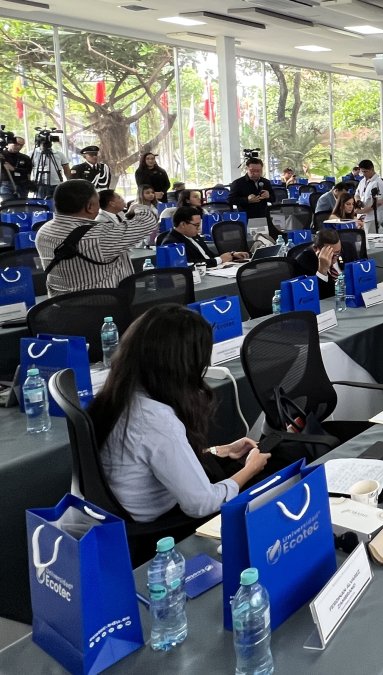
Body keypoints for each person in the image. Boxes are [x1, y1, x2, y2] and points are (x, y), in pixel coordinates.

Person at [90, 304, 270, 523]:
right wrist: (251, 469)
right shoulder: (155, 418)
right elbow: (202, 504)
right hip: (158, 527)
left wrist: (217, 450)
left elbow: (149, 458)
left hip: (124, 511)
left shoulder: (119, 392)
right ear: (181, 365)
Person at [36, 179, 159, 295]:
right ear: (89, 207)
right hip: (102, 309)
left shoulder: (43, 231)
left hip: (61, 308)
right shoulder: (98, 236)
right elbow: (148, 222)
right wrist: (136, 206)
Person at [163, 205, 248, 268]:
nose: (199, 228)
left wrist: (232, 255)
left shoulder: (194, 236)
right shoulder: (172, 242)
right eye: (196, 225)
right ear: (183, 224)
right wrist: (219, 260)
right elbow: (190, 263)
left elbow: (209, 255)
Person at [293, 228, 342, 299]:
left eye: (337, 253)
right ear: (315, 249)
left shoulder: (348, 249)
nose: (335, 257)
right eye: (330, 254)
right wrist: (322, 270)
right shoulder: (304, 262)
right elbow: (317, 296)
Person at [228, 157, 272, 222]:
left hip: (263, 217)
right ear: (247, 169)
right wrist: (247, 200)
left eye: (258, 171)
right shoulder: (237, 183)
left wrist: (269, 196)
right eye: (252, 171)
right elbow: (230, 200)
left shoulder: (266, 182)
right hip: (245, 217)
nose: (255, 173)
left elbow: (274, 199)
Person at [352, 159, 383, 230]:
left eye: (366, 171)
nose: (364, 174)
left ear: (372, 169)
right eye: (362, 172)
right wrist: (358, 201)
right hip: (361, 217)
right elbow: (357, 194)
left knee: (371, 239)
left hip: (372, 218)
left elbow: (377, 203)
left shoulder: (378, 183)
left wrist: (362, 211)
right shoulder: (362, 181)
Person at [1, 136, 33, 201]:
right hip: (6, 185)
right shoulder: (2, 155)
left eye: (21, 145)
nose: (18, 147)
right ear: (9, 143)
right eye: (16, 144)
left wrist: (14, 169)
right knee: (9, 206)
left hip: (22, 185)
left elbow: (28, 172)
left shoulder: (25, 158)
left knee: (22, 206)